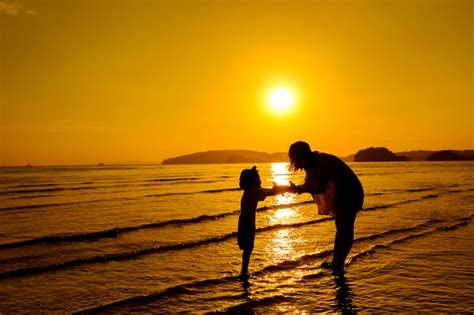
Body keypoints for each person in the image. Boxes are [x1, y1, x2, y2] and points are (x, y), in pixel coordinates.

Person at [288, 141, 364, 275]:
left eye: (293, 157)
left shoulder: (319, 163)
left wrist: (298, 189)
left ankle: (338, 264)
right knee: (343, 229)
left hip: (349, 193)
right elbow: (311, 183)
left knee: (344, 229)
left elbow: (319, 186)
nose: (293, 162)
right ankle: (337, 262)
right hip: (346, 193)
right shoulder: (314, 161)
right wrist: (299, 189)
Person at [238, 165, 292, 280]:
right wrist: (283, 189)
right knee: (248, 248)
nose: (260, 181)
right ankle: (243, 273)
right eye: (257, 179)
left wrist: (279, 189)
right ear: (251, 182)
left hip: (245, 221)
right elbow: (268, 193)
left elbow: (266, 191)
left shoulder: (250, 191)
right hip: (247, 223)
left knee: (247, 249)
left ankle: (244, 271)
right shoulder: (252, 193)